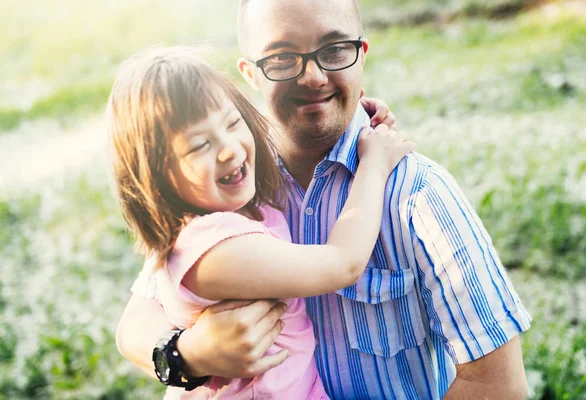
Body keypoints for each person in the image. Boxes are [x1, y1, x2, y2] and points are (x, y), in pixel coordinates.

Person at [117, 0, 533, 398]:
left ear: (360, 55)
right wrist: (186, 354)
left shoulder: (418, 195)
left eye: (334, 50)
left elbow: (499, 386)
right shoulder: (228, 195)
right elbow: (136, 323)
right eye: (282, 56)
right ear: (250, 73)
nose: (313, 76)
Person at [107, 46, 415, 399]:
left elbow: (276, 134)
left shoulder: (234, 202)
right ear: (157, 177)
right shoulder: (213, 249)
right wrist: (373, 166)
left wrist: (350, 113)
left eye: (232, 123)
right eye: (198, 146)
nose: (230, 149)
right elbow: (342, 263)